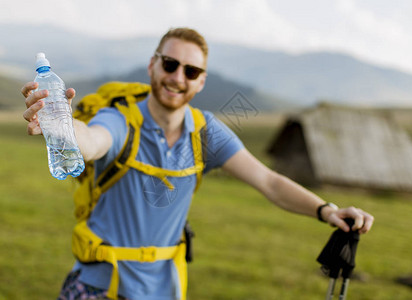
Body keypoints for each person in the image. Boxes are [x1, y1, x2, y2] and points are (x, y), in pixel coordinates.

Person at [21, 27, 374, 300]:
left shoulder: (206, 132)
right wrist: (63, 123)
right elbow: (91, 142)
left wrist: (326, 210)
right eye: (170, 64)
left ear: (201, 81)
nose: (178, 78)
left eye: (191, 72)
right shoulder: (120, 119)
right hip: (100, 286)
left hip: (165, 289)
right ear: (152, 65)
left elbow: (268, 181)